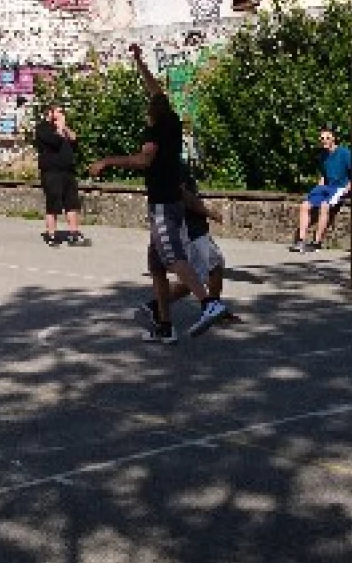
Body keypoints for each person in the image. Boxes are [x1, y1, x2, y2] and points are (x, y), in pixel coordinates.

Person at [88, 47, 228, 342]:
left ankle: (208, 303)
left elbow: (143, 161)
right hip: (170, 203)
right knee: (156, 266)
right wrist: (139, 62)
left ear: (152, 113)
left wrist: (107, 161)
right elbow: (155, 88)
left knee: (173, 258)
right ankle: (165, 326)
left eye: (147, 108)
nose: (146, 109)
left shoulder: (154, 131)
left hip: (164, 204)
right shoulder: (173, 121)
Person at [140, 161, 233, 333]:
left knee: (200, 272)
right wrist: (210, 213)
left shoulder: (173, 162)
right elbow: (183, 195)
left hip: (191, 226)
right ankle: (212, 307)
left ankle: (159, 308)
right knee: (211, 266)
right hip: (189, 228)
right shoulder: (172, 164)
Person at [289, 127, 352, 252]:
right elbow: (324, 175)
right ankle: (301, 241)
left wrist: (347, 189)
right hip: (326, 187)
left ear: (333, 139)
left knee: (324, 206)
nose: (324, 141)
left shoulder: (345, 153)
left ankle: (317, 242)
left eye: (327, 138)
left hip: (339, 188)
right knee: (304, 206)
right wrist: (318, 188)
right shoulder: (323, 156)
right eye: (322, 138)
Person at [33, 104, 89, 246]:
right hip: (51, 172)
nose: (62, 114)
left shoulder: (62, 128)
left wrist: (64, 127)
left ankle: (74, 234)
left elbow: (75, 141)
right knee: (53, 203)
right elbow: (54, 142)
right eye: (59, 111)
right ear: (50, 113)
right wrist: (59, 128)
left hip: (68, 171)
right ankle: (51, 235)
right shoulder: (42, 128)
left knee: (72, 203)